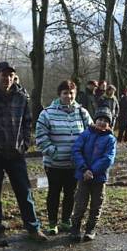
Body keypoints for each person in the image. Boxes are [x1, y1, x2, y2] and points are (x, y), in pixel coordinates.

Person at [0, 61, 47, 245]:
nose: (7, 78)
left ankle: (33, 227)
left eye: (10, 75)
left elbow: (27, 122)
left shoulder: (21, 96)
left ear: (14, 76)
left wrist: (25, 143)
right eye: (3, 74)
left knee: (24, 192)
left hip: (16, 153)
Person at [35, 80, 92, 236]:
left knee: (70, 192)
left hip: (74, 164)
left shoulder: (82, 113)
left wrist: (84, 155)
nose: (69, 95)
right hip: (54, 164)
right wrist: (53, 151)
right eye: (65, 92)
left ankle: (66, 220)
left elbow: (90, 134)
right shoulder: (47, 113)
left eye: (71, 92)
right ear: (59, 94)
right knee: (54, 192)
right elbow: (40, 137)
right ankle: (52, 223)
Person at [69, 107, 117, 240]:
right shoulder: (86, 134)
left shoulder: (110, 139)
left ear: (109, 124)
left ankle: (90, 228)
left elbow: (108, 158)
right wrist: (84, 169)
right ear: (95, 120)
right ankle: (75, 228)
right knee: (80, 203)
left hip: (99, 178)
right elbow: (76, 150)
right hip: (83, 176)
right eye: (100, 119)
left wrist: (93, 171)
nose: (102, 122)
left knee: (96, 204)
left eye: (105, 121)